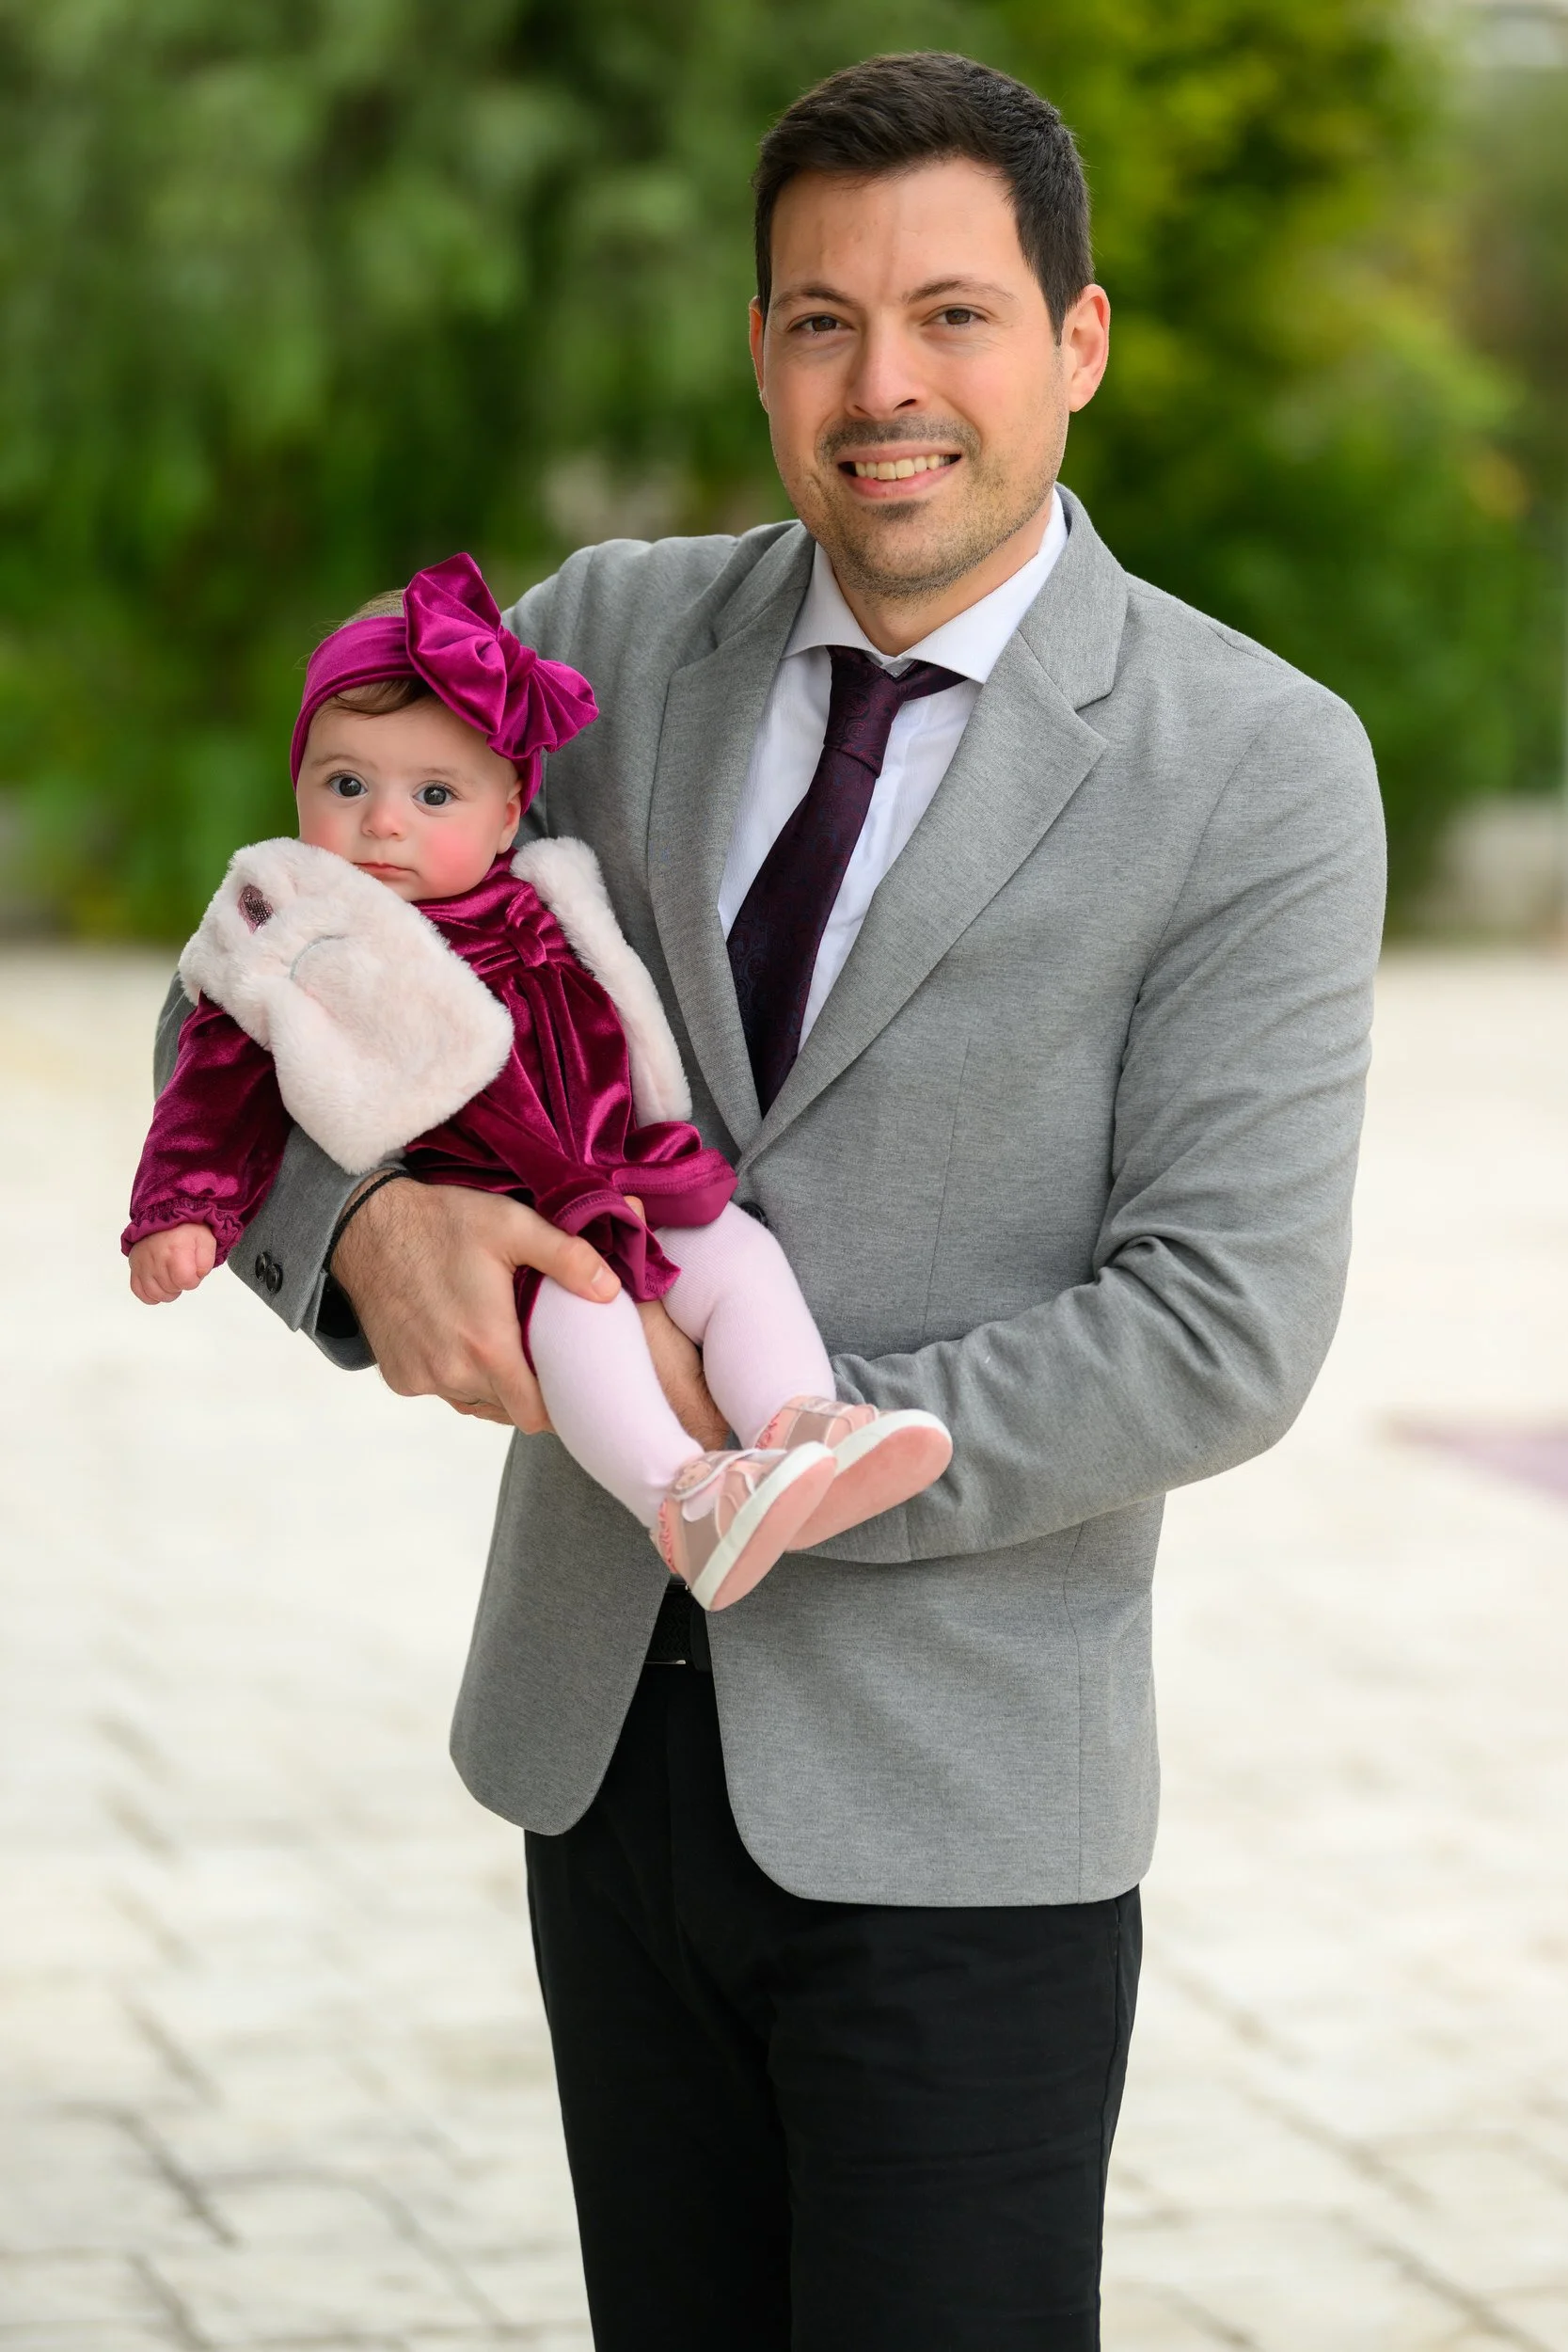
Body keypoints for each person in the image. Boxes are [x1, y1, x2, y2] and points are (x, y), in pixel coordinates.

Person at [151, 51, 1386, 2352]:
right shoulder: (594, 649)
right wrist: (359, 1232)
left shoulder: (1255, 768)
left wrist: (784, 1463)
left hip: (964, 1800)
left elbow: (1221, 1321)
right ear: (758, 354)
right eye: (819, 320)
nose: (882, 382)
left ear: (1077, 344)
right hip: (602, 1765)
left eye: (952, 315)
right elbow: (245, 987)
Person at [124, 552, 951, 1611]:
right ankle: (682, 1494)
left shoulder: (535, 895)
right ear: (297, 787)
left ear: (508, 814)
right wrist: (186, 1207)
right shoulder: (300, 931)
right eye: (346, 785)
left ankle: (801, 1424)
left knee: (738, 1257)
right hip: (500, 1206)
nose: (383, 822)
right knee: (584, 1312)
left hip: (626, 1168)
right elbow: (213, 1070)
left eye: (432, 794)